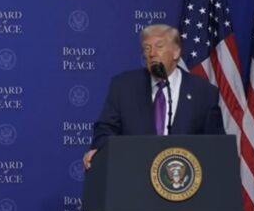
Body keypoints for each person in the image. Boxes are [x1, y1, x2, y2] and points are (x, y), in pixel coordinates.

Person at [83, 24, 224, 169]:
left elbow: (216, 146)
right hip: (134, 173)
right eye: (147, 48)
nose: (152, 54)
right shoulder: (124, 87)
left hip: (184, 177)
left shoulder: (204, 93)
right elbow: (106, 129)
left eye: (159, 46)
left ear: (176, 52)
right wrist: (99, 151)